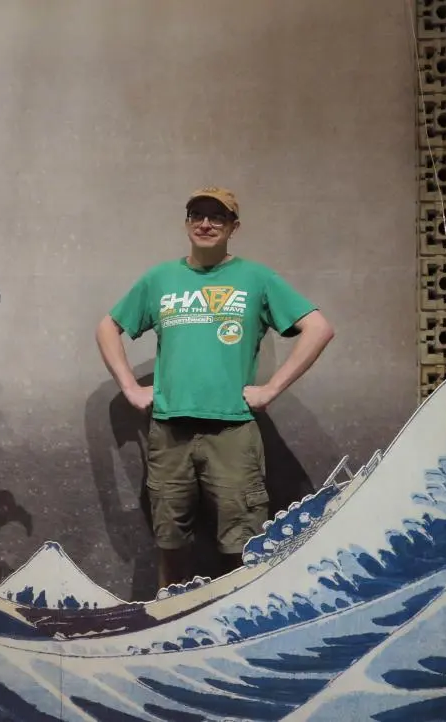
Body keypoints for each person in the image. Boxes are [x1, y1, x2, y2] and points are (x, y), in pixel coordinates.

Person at [95, 187, 335, 588]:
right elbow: (108, 327)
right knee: (170, 541)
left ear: (233, 227)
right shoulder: (160, 279)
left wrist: (270, 389)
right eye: (197, 215)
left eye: (217, 217)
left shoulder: (256, 278)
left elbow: (319, 328)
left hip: (232, 431)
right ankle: (170, 612)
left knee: (246, 542)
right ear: (187, 222)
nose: (205, 224)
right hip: (170, 430)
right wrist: (131, 388)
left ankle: (241, 613)